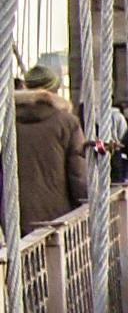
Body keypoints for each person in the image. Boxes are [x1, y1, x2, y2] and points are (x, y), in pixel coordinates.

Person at [15, 62, 87, 229]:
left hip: (17, 217)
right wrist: (87, 203)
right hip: (59, 216)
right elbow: (78, 174)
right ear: (54, 89)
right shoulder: (68, 123)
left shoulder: (6, 122)